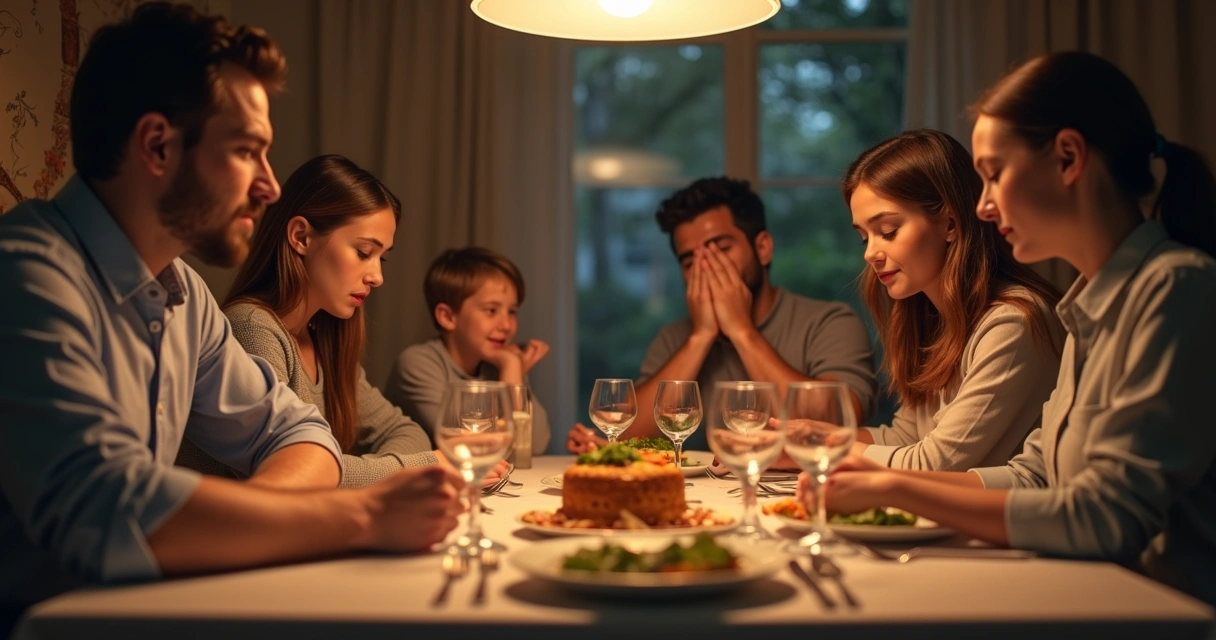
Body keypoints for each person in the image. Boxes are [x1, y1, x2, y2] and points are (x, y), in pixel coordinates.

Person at [0, 3, 460, 629]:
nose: (269, 185)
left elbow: (300, 434)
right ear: (158, 145)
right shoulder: (27, 274)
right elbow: (102, 509)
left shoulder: (183, 294)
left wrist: (258, 516)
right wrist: (366, 516)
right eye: (247, 151)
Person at [817, 51, 1216, 605]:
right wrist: (884, 480)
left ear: (1069, 158)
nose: (982, 206)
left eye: (994, 174)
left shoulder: (1176, 287)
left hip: (1164, 612)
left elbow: (1107, 517)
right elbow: (1035, 475)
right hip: (1093, 594)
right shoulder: (1087, 305)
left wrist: (896, 486)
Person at [176, 154, 457, 486]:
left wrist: (362, 474)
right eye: (364, 252)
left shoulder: (324, 337)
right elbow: (287, 470)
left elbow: (404, 431)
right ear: (301, 237)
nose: (377, 276)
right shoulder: (251, 328)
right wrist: (415, 469)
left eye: (382, 258)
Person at [567, 176, 878, 454]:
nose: (706, 268)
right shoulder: (675, 338)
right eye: (689, 261)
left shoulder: (830, 323)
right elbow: (623, 438)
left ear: (763, 248)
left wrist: (742, 331)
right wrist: (700, 338)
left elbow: (834, 426)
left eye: (719, 249)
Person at [842, 129, 1064, 470]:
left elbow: (937, 464)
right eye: (863, 238)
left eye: (887, 231)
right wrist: (803, 437)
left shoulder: (1012, 322)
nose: (871, 253)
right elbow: (907, 437)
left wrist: (826, 450)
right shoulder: (932, 319)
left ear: (949, 223)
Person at [384, 246, 552, 452]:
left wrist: (514, 371)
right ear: (447, 317)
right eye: (491, 310)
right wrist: (512, 366)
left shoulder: (499, 365)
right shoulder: (418, 364)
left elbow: (533, 446)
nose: (506, 325)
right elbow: (477, 448)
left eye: (512, 311)